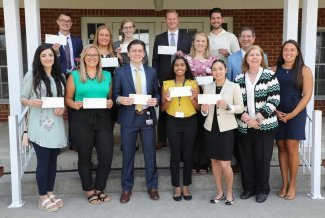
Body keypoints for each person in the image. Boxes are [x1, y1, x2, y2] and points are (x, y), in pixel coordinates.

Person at [65, 44, 114, 205]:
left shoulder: (107, 76)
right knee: (84, 156)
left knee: (106, 155)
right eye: (89, 55)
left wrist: (110, 102)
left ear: (99, 58)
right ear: (83, 58)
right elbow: (68, 99)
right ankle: (89, 190)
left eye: (95, 55)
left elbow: (110, 97)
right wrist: (74, 105)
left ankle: (99, 188)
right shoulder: (75, 76)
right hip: (82, 118)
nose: (92, 58)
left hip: (103, 118)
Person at [113, 39, 160, 204]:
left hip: (146, 117)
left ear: (144, 53)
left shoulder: (152, 71)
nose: (137, 54)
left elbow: (157, 93)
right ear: (128, 53)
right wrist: (120, 99)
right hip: (128, 118)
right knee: (128, 155)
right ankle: (126, 188)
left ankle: (152, 187)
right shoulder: (120, 72)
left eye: (140, 51)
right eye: (134, 51)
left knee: (150, 155)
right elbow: (115, 94)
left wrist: (156, 100)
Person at [21, 44, 66, 212]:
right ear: (38, 58)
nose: (48, 58)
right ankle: (42, 197)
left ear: (55, 58)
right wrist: (33, 102)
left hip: (56, 124)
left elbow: (61, 100)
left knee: (53, 161)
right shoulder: (32, 75)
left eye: (51, 55)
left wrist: (62, 108)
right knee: (43, 161)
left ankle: (49, 192)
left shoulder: (60, 76)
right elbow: (23, 98)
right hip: (39, 124)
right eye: (44, 56)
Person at [235, 45, 280, 203]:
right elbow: (236, 102)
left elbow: (274, 99)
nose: (254, 57)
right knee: (246, 159)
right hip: (244, 126)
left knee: (262, 159)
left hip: (265, 126)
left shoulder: (269, 75)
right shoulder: (239, 78)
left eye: (257, 55)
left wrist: (258, 119)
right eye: (251, 55)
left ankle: (262, 189)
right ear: (246, 58)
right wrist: (247, 119)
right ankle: (249, 188)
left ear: (262, 58)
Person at [272, 40, 313, 200]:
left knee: (291, 148)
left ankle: (293, 185)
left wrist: (292, 114)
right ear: (282, 52)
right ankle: (284, 183)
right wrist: (275, 111)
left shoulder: (304, 70)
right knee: (281, 147)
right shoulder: (274, 69)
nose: (288, 53)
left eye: (292, 50)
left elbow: (307, 95)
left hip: (296, 113)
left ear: (297, 53)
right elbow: (268, 93)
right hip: (277, 113)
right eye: (285, 50)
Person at [201, 59, 244, 205]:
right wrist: (204, 109)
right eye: (214, 69)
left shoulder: (234, 87)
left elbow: (240, 108)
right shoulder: (207, 87)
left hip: (226, 129)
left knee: (225, 164)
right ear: (211, 72)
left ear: (225, 70)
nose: (217, 72)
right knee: (214, 163)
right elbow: (204, 111)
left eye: (220, 69)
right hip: (210, 129)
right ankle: (219, 192)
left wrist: (227, 106)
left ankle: (230, 192)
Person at [227, 26, 268, 173]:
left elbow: (265, 78)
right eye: (243, 36)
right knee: (239, 136)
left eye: (249, 36)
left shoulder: (262, 55)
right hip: (239, 105)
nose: (246, 39)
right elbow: (229, 80)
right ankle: (239, 161)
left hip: (260, 109)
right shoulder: (231, 58)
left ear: (254, 38)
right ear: (238, 38)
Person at [160, 56, 199, 201]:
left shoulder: (193, 83)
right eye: (176, 65)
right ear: (173, 68)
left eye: (182, 65)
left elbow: (198, 108)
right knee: (175, 155)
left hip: (190, 121)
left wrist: (193, 99)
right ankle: (176, 187)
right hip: (173, 122)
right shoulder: (167, 84)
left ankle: (186, 187)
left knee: (188, 154)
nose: (179, 68)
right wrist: (167, 100)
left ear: (186, 67)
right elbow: (163, 109)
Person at [152, 9, 192, 150]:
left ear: (178, 20)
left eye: (174, 19)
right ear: (165, 21)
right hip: (164, 77)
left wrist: (185, 55)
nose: (172, 21)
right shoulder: (159, 37)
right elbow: (155, 59)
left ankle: (181, 135)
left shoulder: (187, 37)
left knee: (182, 103)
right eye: (169, 19)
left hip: (182, 76)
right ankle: (162, 139)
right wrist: (155, 77)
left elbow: (191, 57)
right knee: (165, 106)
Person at [183, 32, 217, 174]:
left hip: (207, 98)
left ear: (207, 43)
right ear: (193, 42)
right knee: (191, 132)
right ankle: (191, 163)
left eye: (203, 41)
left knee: (205, 131)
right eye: (198, 41)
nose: (200, 43)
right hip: (189, 99)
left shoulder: (213, 60)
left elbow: (217, 78)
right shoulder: (186, 59)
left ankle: (204, 163)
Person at [52, 13, 83, 151]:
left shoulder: (77, 41)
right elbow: (48, 60)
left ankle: (74, 141)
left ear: (71, 23)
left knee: (74, 110)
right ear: (58, 22)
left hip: (74, 77)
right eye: (62, 20)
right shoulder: (51, 41)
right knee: (56, 109)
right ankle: (56, 143)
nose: (65, 23)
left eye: (68, 21)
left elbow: (81, 59)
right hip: (58, 77)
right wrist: (55, 51)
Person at [93, 25, 118, 128]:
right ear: (97, 37)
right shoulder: (91, 52)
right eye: (101, 35)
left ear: (110, 38)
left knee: (110, 115)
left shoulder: (115, 54)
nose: (104, 37)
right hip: (95, 86)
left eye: (107, 35)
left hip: (111, 88)